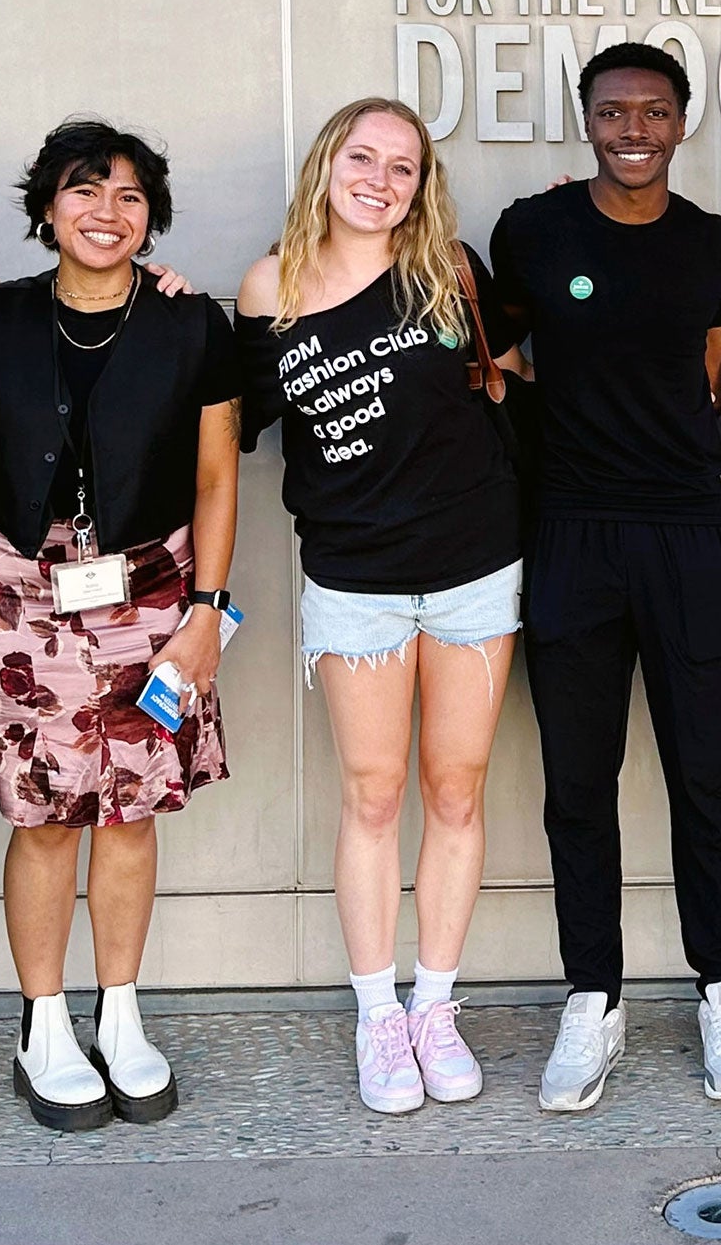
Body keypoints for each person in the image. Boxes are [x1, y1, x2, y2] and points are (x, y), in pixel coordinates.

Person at [0, 120, 242, 1131]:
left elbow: (216, 474)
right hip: (20, 595)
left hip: (153, 588)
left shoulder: (193, 322)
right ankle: (43, 1022)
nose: (104, 211)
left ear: (149, 216)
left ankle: (120, 1014)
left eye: (127, 195)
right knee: (43, 818)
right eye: (83, 190)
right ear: (44, 209)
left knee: (127, 811)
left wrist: (206, 610)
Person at [237, 98, 522, 1115]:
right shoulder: (270, 286)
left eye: (403, 166)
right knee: (371, 794)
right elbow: (227, 417)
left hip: (476, 567)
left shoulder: (447, 270)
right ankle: (376, 1015)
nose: (381, 179)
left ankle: (435, 1005)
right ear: (326, 164)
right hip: (352, 576)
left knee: (455, 789)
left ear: (421, 184)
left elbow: (514, 370)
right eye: (363, 157)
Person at [487, 42, 721, 1112]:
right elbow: (496, 356)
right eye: (613, 113)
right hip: (574, 532)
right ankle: (590, 997)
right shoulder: (533, 232)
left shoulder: (709, 246)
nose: (632, 129)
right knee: (576, 785)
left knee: (707, 775)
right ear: (587, 122)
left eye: (652, 112)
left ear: (681, 123)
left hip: (689, 530)